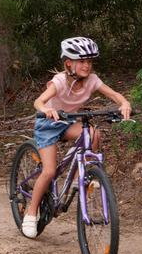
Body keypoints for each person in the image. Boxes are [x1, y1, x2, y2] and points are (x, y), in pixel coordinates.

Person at [21, 36, 131, 239]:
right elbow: (39, 101)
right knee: (49, 170)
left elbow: (115, 95)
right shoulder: (60, 81)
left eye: (89, 62)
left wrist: (124, 103)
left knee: (94, 134)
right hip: (49, 125)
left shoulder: (92, 81)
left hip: (69, 123)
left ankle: (77, 178)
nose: (87, 66)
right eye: (81, 61)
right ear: (68, 63)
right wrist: (46, 109)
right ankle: (31, 210)